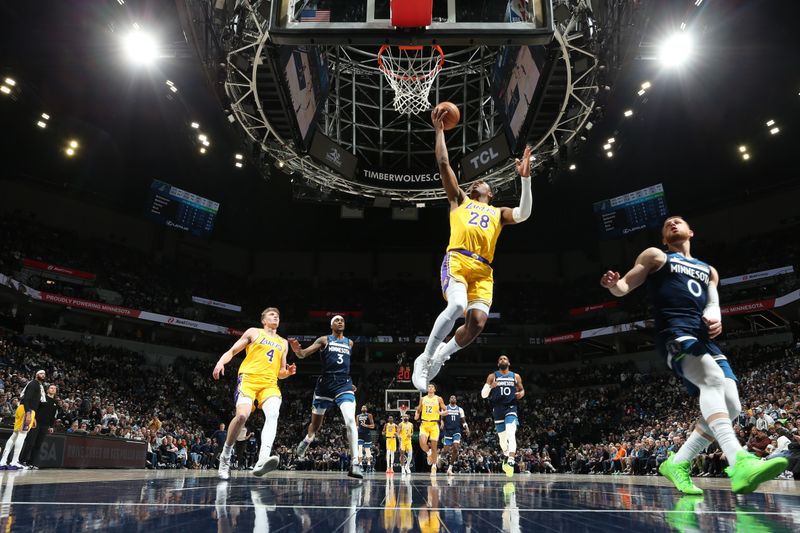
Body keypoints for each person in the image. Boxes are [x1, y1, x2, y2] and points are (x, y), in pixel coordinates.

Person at [599, 215, 788, 494]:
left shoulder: (709, 270)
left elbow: (712, 301)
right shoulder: (656, 256)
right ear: (664, 238)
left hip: (704, 339)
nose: (672, 224)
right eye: (667, 225)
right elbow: (626, 286)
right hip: (674, 333)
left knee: (732, 406)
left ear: (691, 232)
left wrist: (716, 317)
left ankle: (678, 462)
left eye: (678, 221)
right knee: (711, 379)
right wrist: (613, 285)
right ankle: (740, 463)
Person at [412, 106, 534, 393]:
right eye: (476, 181)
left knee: (477, 323)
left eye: (483, 182)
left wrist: (525, 179)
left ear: (490, 193)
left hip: (483, 270)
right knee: (456, 306)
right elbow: (444, 164)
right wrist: (439, 131)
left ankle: (441, 356)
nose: (478, 181)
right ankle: (425, 359)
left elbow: (525, 213)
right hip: (457, 259)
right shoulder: (460, 200)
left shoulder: (499, 213)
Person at [212, 307, 296, 480]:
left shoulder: (283, 343)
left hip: (270, 384)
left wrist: (286, 373)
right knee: (242, 416)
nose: (276, 317)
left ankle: (262, 459)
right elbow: (233, 351)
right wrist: (221, 362)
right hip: (249, 380)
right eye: (272, 315)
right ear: (264, 320)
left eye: (278, 316)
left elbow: (281, 371)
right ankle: (226, 455)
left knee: (273, 414)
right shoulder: (254, 332)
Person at [290, 315, 363, 479]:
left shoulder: (350, 343)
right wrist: (297, 351)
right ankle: (308, 440)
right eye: (337, 320)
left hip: (344, 384)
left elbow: (344, 364)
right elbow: (303, 354)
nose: (340, 322)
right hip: (325, 385)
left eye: (342, 320)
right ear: (331, 325)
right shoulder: (324, 340)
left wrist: (348, 384)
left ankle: (355, 464)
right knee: (315, 426)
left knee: (351, 420)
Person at [481, 355, 524, 477]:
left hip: (511, 408)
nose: (502, 360)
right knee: (502, 440)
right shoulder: (492, 376)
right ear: (497, 363)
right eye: (500, 359)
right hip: (498, 410)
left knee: (511, 432)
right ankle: (506, 453)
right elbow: (483, 395)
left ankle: (510, 460)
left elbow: (522, 390)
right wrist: (490, 386)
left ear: (509, 362)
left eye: (505, 359)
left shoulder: (515, 376)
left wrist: (521, 393)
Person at [0, 370, 46, 470]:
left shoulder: (36, 385)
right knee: (22, 435)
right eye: (41, 373)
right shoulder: (34, 383)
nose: (43, 375)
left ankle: (3, 461)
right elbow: (27, 398)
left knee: (15, 434)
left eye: (44, 374)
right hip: (27, 409)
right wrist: (28, 412)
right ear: (36, 374)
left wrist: (32, 415)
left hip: (24, 409)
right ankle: (14, 462)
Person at [20, 383, 58, 469]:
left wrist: (51, 426)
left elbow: (53, 416)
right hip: (36, 423)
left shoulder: (55, 403)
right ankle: (22, 461)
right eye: (51, 388)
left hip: (45, 426)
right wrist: (33, 419)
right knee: (30, 442)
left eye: (54, 389)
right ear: (47, 390)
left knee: (38, 444)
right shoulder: (42, 398)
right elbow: (35, 409)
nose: (53, 389)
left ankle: (32, 463)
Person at [415, 383, 447, 474]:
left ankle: (434, 466)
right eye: (429, 386)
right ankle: (429, 454)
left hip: (434, 425)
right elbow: (419, 409)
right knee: (422, 444)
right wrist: (417, 414)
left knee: (434, 446)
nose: (430, 388)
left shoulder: (438, 398)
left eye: (432, 386)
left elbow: (446, 410)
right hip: (424, 424)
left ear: (435, 390)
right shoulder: (423, 399)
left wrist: (441, 415)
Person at [441, 395, 469, 475]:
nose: (453, 398)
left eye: (454, 398)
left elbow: (463, 421)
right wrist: (442, 424)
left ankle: (450, 468)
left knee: (456, 448)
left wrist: (466, 428)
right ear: (449, 400)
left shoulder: (460, 409)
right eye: (451, 398)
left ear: (456, 400)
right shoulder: (445, 408)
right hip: (448, 431)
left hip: (456, 431)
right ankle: (441, 456)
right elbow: (442, 419)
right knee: (446, 450)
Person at [357, 405, 376, 472]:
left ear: (367, 409)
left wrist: (366, 425)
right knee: (359, 449)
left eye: (365, 407)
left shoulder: (369, 415)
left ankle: (368, 464)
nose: (363, 408)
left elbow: (373, 426)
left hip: (367, 434)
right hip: (360, 434)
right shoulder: (358, 416)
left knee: (367, 450)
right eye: (362, 407)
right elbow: (357, 426)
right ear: (361, 409)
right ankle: (360, 465)